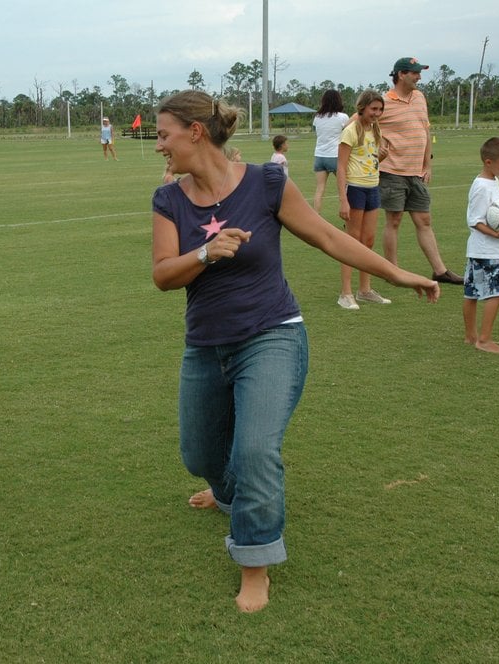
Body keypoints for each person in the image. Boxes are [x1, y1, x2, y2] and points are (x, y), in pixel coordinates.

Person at [151, 90, 439, 613]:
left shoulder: (267, 183)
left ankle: (255, 561)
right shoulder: (168, 198)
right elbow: (162, 276)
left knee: (255, 450)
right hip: (206, 345)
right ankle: (225, 494)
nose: (158, 146)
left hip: (272, 335)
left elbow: (330, 238)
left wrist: (396, 272)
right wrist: (204, 251)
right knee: (200, 455)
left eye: (163, 134)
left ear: (195, 132)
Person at [378, 57, 463, 285]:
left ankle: (439, 271)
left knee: (424, 220)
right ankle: (392, 271)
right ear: (401, 74)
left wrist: (427, 164)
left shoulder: (419, 97)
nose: (419, 77)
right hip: (391, 171)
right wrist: (378, 146)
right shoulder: (384, 101)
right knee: (394, 220)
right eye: (415, 73)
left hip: (416, 172)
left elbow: (425, 131)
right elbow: (359, 123)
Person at [462, 138, 499, 354]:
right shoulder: (482, 187)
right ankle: (484, 340)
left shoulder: (491, 181)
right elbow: (475, 220)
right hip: (488, 250)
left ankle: (471, 336)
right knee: (497, 292)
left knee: (473, 293)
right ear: (489, 162)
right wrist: (497, 234)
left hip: (481, 249)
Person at [336, 90, 390, 309]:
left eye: (380, 109)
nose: (376, 113)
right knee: (352, 240)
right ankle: (345, 293)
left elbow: (369, 158)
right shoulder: (351, 130)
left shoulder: (375, 129)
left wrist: (380, 157)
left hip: (372, 187)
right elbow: (340, 166)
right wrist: (343, 200)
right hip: (355, 189)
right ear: (362, 108)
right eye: (373, 109)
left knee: (368, 241)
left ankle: (365, 290)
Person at [312, 89, 350, 214]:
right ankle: (348, 214)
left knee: (320, 189)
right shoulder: (342, 117)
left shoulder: (317, 117)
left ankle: (315, 217)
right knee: (345, 187)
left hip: (319, 156)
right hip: (335, 156)